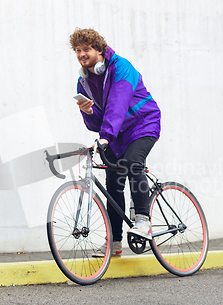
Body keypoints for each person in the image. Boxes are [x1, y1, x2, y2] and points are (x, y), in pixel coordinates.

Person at [69, 28, 162, 257]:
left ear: (99, 49)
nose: (82, 54)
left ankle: (143, 220)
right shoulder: (84, 82)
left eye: (86, 49)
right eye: (78, 50)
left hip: (143, 124)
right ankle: (114, 241)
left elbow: (118, 105)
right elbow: (96, 123)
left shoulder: (122, 67)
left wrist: (105, 136)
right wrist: (89, 112)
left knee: (132, 163)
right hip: (116, 134)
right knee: (113, 183)